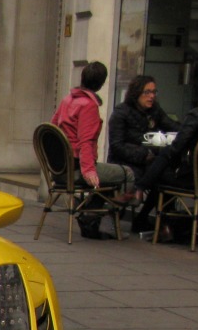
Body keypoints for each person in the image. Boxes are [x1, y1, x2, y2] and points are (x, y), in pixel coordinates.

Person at [134, 70, 198, 243]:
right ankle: (155, 220)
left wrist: (144, 181)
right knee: (164, 169)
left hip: (195, 179)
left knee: (160, 171)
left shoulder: (197, 115)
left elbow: (175, 149)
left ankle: (162, 222)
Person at [50, 61, 136, 239]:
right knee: (126, 173)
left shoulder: (67, 100)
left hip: (59, 169)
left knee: (110, 175)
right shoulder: (88, 106)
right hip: (76, 169)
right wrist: (89, 171)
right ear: (102, 83)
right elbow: (86, 141)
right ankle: (94, 213)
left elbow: (51, 130)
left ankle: (90, 211)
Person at [107, 75, 179, 233]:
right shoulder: (121, 113)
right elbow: (117, 146)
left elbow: (172, 126)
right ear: (136, 93)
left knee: (167, 178)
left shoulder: (155, 111)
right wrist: (143, 154)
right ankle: (154, 220)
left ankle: (149, 217)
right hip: (126, 161)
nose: (152, 96)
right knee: (162, 175)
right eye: (147, 92)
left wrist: (185, 130)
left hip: (149, 163)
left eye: (154, 92)